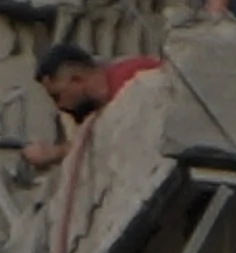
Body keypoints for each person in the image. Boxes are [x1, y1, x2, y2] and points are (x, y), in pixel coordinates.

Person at [17, 42, 157, 167]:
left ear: (76, 79)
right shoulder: (98, 109)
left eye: (57, 96)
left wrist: (57, 152)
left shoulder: (134, 76)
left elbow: (113, 142)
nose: (59, 106)